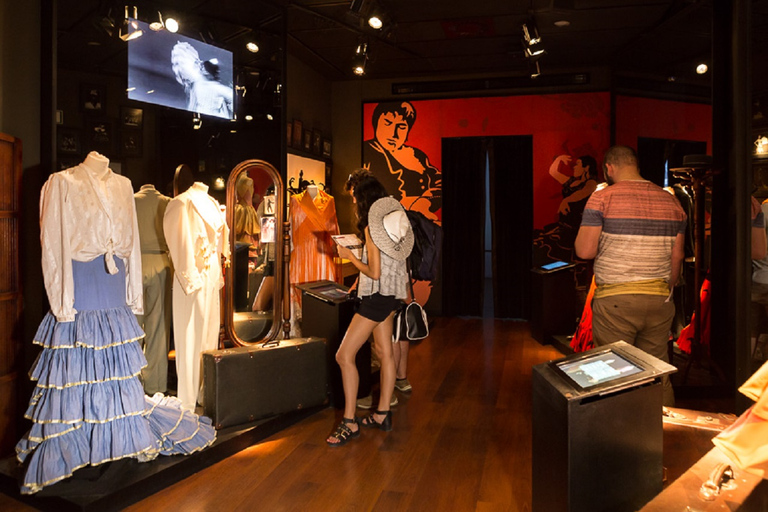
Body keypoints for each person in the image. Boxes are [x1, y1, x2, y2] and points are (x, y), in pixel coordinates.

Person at [574, 145, 687, 406]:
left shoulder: (602, 198)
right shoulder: (670, 200)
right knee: (657, 373)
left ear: (609, 168)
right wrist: (665, 291)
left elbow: (585, 251)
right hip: (659, 300)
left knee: (614, 374)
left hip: (616, 300)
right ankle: (665, 434)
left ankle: (617, 440)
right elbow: (677, 256)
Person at [326, 175, 414, 446]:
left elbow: (374, 272)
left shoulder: (371, 228)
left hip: (376, 299)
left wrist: (349, 255)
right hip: (391, 297)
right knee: (386, 352)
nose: (352, 200)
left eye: (354, 196)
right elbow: (392, 267)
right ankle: (382, 414)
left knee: (344, 355)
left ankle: (350, 421)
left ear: (364, 198)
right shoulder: (394, 220)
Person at [363, 101, 441, 219]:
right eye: (388, 123)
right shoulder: (370, 151)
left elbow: (439, 181)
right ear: (376, 123)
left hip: (421, 223)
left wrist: (425, 201)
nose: (394, 134)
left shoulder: (417, 155)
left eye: (401, 127)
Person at [171, 41, 233, 119]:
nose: (201, 67)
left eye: (203, 67)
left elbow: (231, 95)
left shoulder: (214, 86)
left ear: (207, 72)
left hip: (212, 118)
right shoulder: (198, 82)